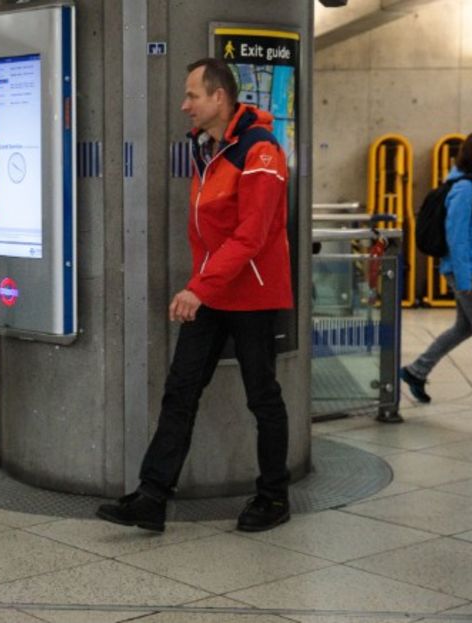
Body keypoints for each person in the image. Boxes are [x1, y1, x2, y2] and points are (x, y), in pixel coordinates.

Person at [96, 58, 292, 533]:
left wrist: (196, 287)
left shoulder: (260, 151)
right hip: (212, 292)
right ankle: (152, 496)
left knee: (262, 396)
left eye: (192, 96)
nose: (185, 105)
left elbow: (252, 234)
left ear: (219, 97)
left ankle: (273, 496)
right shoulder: (208, 149)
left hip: (253, 295)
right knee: (180, 391)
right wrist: (203, 287)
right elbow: (209, 231)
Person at [400, 131, 472, 413]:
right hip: (464, 269)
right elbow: (456, 235)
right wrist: (462, 278)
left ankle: (416, 371)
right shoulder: (465, 188)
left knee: (464, 327)